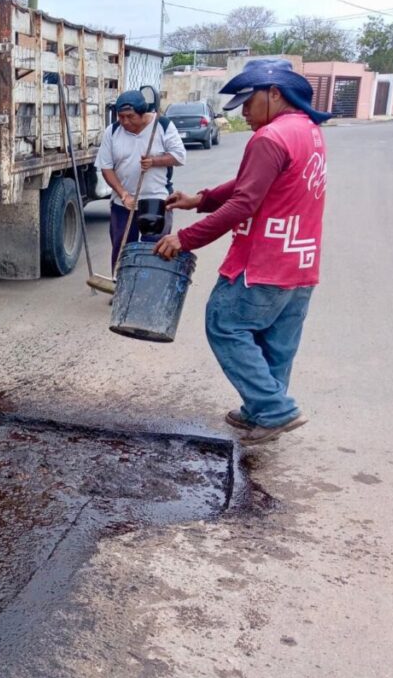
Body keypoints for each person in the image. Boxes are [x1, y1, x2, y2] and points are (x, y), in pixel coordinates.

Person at [153, 59, 332, 445]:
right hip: (300, 260)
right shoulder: (306, 131)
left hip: (265, 262)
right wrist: (201, 199)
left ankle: (275, 410)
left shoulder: (269, 138)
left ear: (274, 93)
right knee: (276, 341)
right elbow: (250, 181)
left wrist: (186, 238)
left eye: (248, 103)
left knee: (225, 322)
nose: (244, 113)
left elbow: (243, 202)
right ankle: (262, 411)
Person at [95, 90, 186, 270]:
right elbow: (105, 167)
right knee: (122, 247)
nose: (125, 121)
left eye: (130, 116)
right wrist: (123, 194)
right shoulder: (113, 131)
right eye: (121, 117)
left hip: (156, 200)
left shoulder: (162, 125)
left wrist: (154, 161)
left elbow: (179, 157)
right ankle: (120, 287)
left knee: (153, 248)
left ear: (142, 113)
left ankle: (148, 290)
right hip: (124, 202)